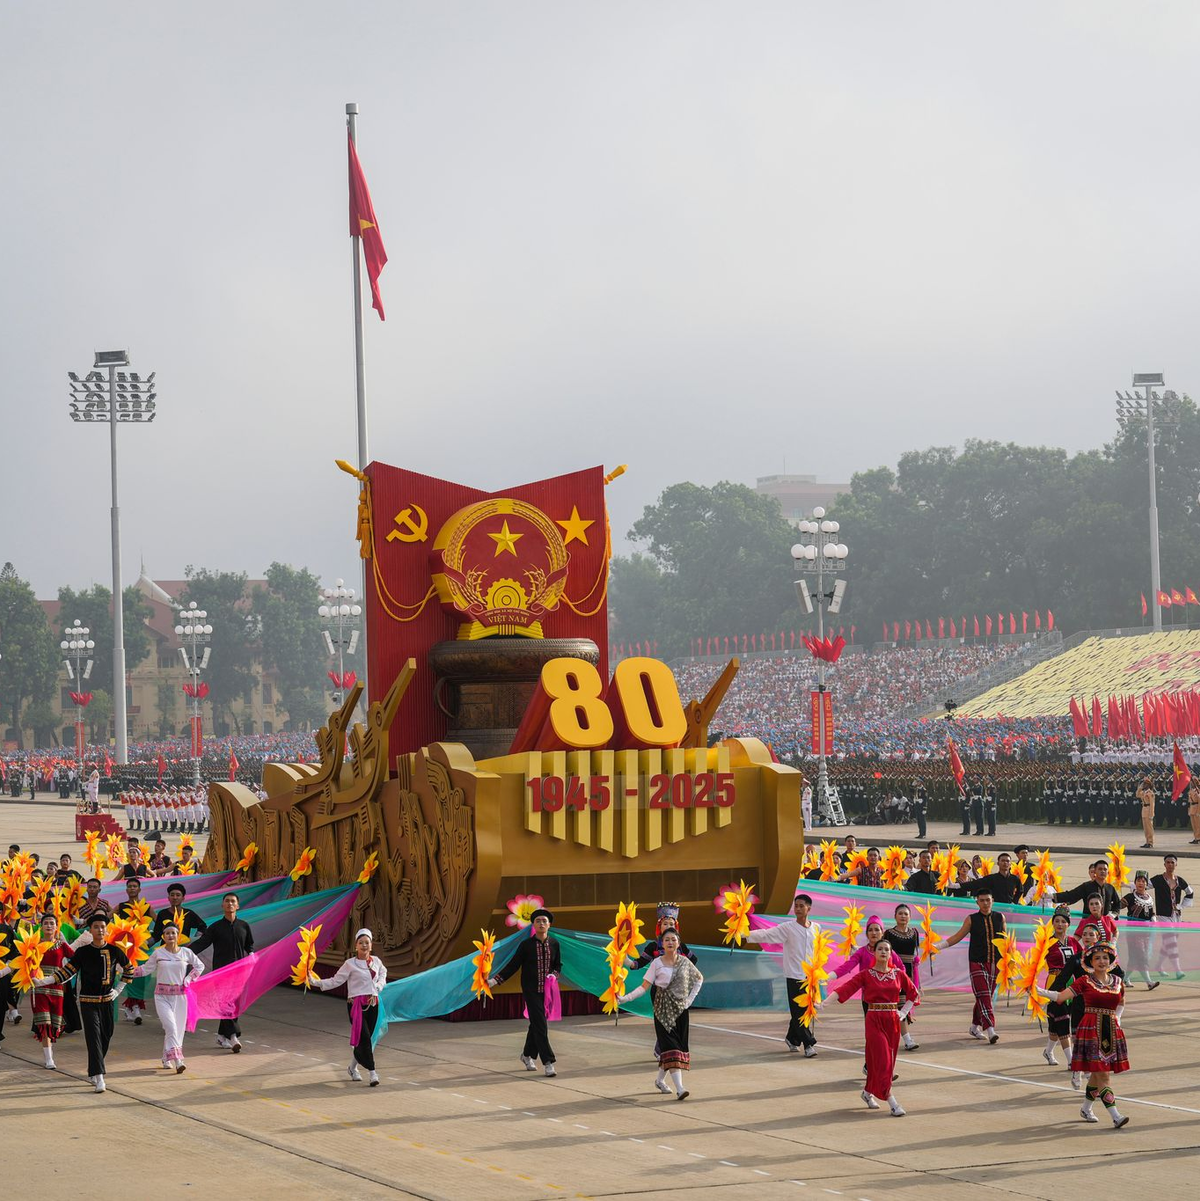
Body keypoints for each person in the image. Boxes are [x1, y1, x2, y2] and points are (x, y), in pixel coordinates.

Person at [817, 938, 917, 1116]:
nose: (884, 952)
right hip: (874, 1020)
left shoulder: (898, 974)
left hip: (892, 1021)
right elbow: (844, 989)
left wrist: (903, 1013)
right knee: (883, 1061)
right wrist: (823, 1004)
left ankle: (867, 1093)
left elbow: (913, 993)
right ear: (875, 953)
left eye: (887, 949)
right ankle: (892, 1101)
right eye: (880, 949)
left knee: (883, 1063)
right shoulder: (866, 974)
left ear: (890, 954)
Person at [1041, 941, 1130, 1128]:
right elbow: (1060, 997)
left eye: (1105, 957)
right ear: (1090, 961)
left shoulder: (1118, 982)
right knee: (1103, 1075)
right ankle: (1115, 1115)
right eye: (1097, 958)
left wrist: (1118, 1018)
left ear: (1111, 960)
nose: (1101, 961)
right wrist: (1037, 991)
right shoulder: (1084, 981)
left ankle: (1086, 1108)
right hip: (1090, 1030)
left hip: (1111, 1030)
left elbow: (1121, 1002)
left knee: (1098, 1075)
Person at [42, 912, 133, 1092]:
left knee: (106, 1035)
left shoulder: (115, 951)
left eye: (102, 927)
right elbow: (67, 972)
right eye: (96, 927)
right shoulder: (83, 952)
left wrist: (118, 990)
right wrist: (44, 981)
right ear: (90, 930)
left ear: (106, 930)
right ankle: (99, 1077)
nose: (100, 930)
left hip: (107, 1001)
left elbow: (129, 970)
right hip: (87, 1002)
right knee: (93, 1037)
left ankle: (94, 1068)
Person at [618, 929, 703, 1100]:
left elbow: (699, 979)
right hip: (662, 1011)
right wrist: (625, 999)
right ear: (662, 944)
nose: (670, 942)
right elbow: (643, 987)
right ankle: (680, 1088)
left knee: (673, 1049)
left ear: (678, 943)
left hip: (680, 1011)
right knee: (672, 1047)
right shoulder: (656, 963)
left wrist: (689, 1001)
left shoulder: (685, 962)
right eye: (667, 940)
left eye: (673, 939)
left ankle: (659, 1080)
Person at [742, 892, 822, 1056]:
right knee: (799, 1012)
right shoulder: (788, 927)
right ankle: (808, 1044)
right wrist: (744, 934)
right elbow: (767, 934)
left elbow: (818, 950)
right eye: (796, 906)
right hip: (794, 975)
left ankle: (792, 1039)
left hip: (810, 977)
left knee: (805, 1009)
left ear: (809, 908)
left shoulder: (816, 928)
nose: (798, 909)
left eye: (801, 906)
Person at [307, 927, 387, 1086]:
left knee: (366, 1039)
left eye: (367, 943)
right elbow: (335, 981)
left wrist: (378, 986)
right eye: (361, 943)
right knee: (363, 1037)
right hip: (356, 1006)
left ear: (371, 945)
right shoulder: (350, 964)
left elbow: (383, 975)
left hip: (373, 1005)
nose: (364, 945)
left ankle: (352, 1068)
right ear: (355, 946)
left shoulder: (377, 962)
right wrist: (315, 982)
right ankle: (373, 1073)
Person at [487, 907, 561, 1077]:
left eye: (544, 921)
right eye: (538, 921)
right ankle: (548, 1062)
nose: (541, 923)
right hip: (531, 990)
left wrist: (554, 975)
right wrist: (494, 981)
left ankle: (527, 1055)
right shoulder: (526, 945)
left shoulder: (555, 944)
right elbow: (513, 965)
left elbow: (558, 966)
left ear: (549, 925)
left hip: (547, 991)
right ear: (533, 925)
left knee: (536, 1024)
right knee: (541, 1025)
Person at [130, 921, 204, 1072]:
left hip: (180, 996)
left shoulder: (186, 952)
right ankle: (178, 1060)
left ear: (178, 935)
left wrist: (189, 979)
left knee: (177, 1029)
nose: (171, 935)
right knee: (170, 1027)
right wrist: (127, 972)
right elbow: (146, 969)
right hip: (162, 997)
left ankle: (166, 1057)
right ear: (163, 937)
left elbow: (199, 966)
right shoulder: (158, 953)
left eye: (173, 933)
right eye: (167, 933)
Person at [189, 892, 254, 1051]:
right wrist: (183, 953)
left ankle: (221, 1036)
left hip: (240, 973)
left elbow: (249, 946)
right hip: (221, 973)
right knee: (226, 1004)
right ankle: (233, 1036)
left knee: (235, 1004)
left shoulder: (244, 926)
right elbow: (202, 943)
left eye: (233, 901)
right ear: (222, 905)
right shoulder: (216, 927)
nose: (230, 904)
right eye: (227, 901)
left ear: (237, 905)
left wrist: (252, 956)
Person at [941, 891, 1005, 1044]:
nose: (985, 903)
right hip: (977, 962)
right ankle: (990, 1029)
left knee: (985, 996)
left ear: (993, 901)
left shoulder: (1000, 917)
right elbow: (957, 936)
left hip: (995, 963)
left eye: (988, 900)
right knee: (984, 995)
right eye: (982, 900)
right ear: (977, 902)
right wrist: (938, 946)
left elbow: (1005, 941)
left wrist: (1008, 962)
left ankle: (974, 1026)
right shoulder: (971, 919)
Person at [29, 913, 75, 1068]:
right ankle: (49, 1059)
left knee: (54, 1024)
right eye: (46, 923)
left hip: (57, 989)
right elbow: (25, 963)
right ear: (41, 927)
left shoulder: (62, 945)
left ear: (56, 927)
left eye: (52, 923)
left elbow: (76, 961)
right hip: (39, 988)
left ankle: (49, 1054)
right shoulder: (34, 945)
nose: (49, 926)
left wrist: (66, 977)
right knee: (44, 1024)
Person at [1043, 907, 1080, 1068]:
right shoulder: (1047, 942)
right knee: (1062, 1019)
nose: (1060, 924)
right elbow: (1035, 961)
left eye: (1063, 921)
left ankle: (1048, 1051)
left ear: (1068, 925)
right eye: (1057, 921)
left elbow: (1082, 962)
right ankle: (1071, 1061)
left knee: (1056, 1024)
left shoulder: (1073, 942)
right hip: (1054, 983)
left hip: (1071, 985)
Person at [1149, 855, 1193, 979]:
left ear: (1176, 864)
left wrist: (1182, 906)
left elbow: (1190, 892)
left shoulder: (1180, 880)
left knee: (1168, 942)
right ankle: (1178, 970)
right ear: (1164, 864)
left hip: (1176, 916)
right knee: (1171, 942)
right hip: (1163, 915)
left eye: (1172, 862)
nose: (1170, 865)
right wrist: (1125, 884)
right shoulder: (1158, 879)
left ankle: (1158, 965)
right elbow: (1142, 884)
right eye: (1167, 862)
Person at [885, 904, 922, 1051]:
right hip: (894, 972)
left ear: (910, 917)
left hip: (910, 972)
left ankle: (896, 1037)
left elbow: (915, 953)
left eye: (906, 914)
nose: (903, 916)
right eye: (900, 913)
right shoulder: (889, 933)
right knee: (898, 1005)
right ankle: (907, 1039)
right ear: (895, 916)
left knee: (905, 1004)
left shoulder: (915, 933)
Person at [1120, 872, 1158, 989]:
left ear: (1146, 884)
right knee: (1142, 955)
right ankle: (1149, 982)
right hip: (1133, 932)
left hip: (1146, 933)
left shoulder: (1149, 898)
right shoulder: (1130, 897)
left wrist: (1153, 917)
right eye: (1138, 881)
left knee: (1134, 957)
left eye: (1143, 881)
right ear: (1135, 883)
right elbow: (1118, 906)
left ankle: (1125, 978)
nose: (1141, 883)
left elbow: (1151, 912)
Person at [1055, 861, 1120, 917]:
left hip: (1106, 924)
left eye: (1105, 869)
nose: (1102, 871)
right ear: (1095, 871)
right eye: (1100, 869)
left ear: (1108, 872)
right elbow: (1072, 895)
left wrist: (1114, 914)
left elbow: (1117, 904)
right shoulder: (1087, 886)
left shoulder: (1110, 888)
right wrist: (1051, 896)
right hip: (1089, 923)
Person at [1136, 776, 1155, 848]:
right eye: (1144, 784)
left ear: (1149, 785)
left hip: (1148, 810)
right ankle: (1147, 841)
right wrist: (1140, 787)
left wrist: (1151, 814)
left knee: (1149, 828)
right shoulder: (1143, 792)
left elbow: (1152, 804)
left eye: (1145, 784)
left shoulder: (1150, 793)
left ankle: (1150, 842)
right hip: (1144, 810)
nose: (1144, 785)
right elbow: (1137, 795)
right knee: (1145, 828)